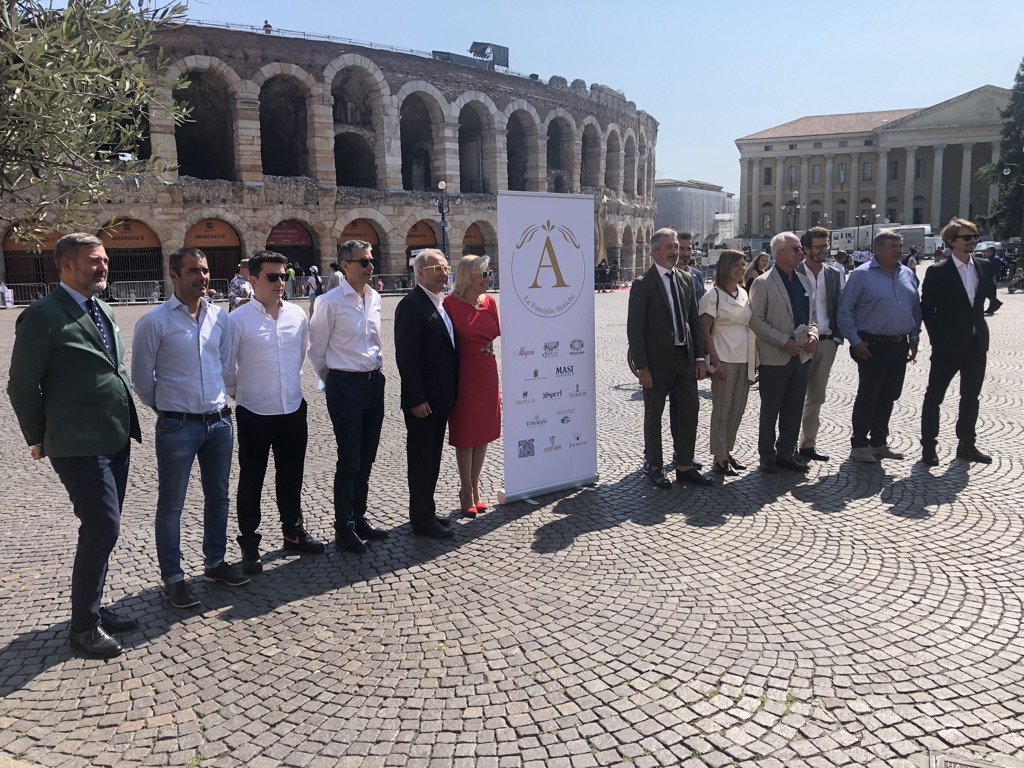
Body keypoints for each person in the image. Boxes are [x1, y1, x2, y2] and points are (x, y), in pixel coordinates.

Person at [7, 233, 142, 658]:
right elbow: (22, 384)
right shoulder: (43, 315)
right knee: (102, 526)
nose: (102, 268)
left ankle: (95, 608)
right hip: (76, 441)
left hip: (114, 434)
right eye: (93, 262)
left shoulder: (101, 307)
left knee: (105, 528)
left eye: (104, 260)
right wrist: (37, 437)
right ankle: (83, 628)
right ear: (66, 265)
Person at [132, 247, 248, 610]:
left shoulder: (220, 318)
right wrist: (166, 408)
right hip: (177, 425)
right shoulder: (154, 321)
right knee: (171, 504)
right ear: (174, 276)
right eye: (194, 271)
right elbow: (141, 378)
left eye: (206, 270)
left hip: (219, 422)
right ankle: (173, 578)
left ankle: (214, 563)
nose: (203, 277)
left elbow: (225, 365)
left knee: (219, 497)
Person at [225, 250, 325, 575]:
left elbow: (300, 357)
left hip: (292, 408)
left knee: (292, 475)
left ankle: (293, 533)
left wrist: (286, 389)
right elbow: (225, 368)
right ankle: (249, 545)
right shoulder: (237, 320)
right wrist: (241, 393)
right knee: (252, 479)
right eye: (272, 276)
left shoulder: (297, 315)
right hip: (254, 412)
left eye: (284, 276)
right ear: (253, 280)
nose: (280, 282)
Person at [308, 240, 391, 553]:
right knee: (349, 459)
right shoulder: (330, 302)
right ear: (345, 266)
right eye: (363, 262)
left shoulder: (375, 297)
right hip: (345, 386)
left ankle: (359, 517)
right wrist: (334, 381)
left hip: (374, 383)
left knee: (367, 456)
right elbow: (316, 349)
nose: (370, 266)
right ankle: (343, 527)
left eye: (371, 260)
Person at [626, 228, 712, 488]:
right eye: (669, 248)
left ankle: (684, 466)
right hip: (655, 363)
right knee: (654, 415)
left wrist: (699, 358)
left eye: (677, 247)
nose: (675, 252)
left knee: (690, 410)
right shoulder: (643, 284)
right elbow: (634, 328)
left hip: (684, 360)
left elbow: (694, 322)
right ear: (655, 251)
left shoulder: (686, 280)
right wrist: (642, 367)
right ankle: (655, 466)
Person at [836, 230, 921, 463]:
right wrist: (855, 341)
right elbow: (844, 311)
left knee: (889, 395)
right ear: (878, 249)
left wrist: (914, 338)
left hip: (899, 344)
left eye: (900, 245)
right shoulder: (861, 275)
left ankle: (878, 442)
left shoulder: (907, 274)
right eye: (893, 245)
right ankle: (859, 444)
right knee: (869, 395)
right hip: (871, 344)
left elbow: (915, 309)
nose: (898, 250)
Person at [395, 249, 460, 536]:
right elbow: (406, 357)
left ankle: (427, 511)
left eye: (445, 267)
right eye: (436, 268)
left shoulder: (443, 303)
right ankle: (421, 519)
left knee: (432, 458)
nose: (443, 273)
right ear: (419, 272)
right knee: (420, 460)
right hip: (423, 401)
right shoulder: (411, 305)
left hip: (441, 397)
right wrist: (415, 397)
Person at [920, 219, 994, 465]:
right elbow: (927, 309)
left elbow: (981, 303)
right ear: (951, 241)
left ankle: (967, 445)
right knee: (934, 397)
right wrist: (937, 339)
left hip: (975, 343)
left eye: (975, 236)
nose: (973, 240)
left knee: (971, 397)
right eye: (967, 237)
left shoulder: (983, 266)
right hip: (947, 346)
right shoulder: (938, 271)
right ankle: (929, 447)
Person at [749, 232, 818, 473]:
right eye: (796, 249)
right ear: (778, 254)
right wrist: (783, 342)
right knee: (771, 408)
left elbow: (813, 317)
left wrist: (814, 335)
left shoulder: (804, 280)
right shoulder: (763, 282)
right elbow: (755, 320)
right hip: (775, 357)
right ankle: (766, 454)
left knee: (794, 406)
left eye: (800, 249)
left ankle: (786, 452)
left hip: (802, 355)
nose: (802, 253)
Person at [443, 256, 501, 515]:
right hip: (463, 374)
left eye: (489, 274)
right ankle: (466, 490)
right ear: (468, 277)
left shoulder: (489, 302)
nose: (489, 279)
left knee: (484, 432)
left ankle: (475, 487)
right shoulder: (449, 304)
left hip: (487, 371)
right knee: (466, 434)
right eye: (484, 274)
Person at [698, 250, 753, 476]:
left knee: (738, 409)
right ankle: (718, 457)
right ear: (726, 267)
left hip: (745, 356)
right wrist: (714, 359)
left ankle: (727, 450)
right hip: (724, 356)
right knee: (722, 409)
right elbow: (704, 330)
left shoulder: (743, 293)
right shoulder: (713, 296)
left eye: (743, 264)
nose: (741, 268)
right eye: (737, 265)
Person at [795, 227, 844, 463]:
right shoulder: (793, 272)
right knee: (793, 396)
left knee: (816, 396)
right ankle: (786, 444)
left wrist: (836, 337)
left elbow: (839, 306)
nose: (825, 250)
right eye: (819, 247)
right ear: (806, 250)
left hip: (826, 341)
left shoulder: (833, 274)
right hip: (798, 344)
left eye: (826, 246)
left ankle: (807, 444)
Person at [984, 245, 1003, 315]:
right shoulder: (992, 258)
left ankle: (997, 303)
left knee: (987, 292)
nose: (986, 252)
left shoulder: (994, 258)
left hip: (992, 278)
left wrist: (994, 279)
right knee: (991, 293)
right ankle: (991, 308)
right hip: (990, 278)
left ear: (991, 251)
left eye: (987, 250)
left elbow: (994, 269)